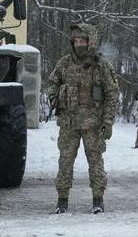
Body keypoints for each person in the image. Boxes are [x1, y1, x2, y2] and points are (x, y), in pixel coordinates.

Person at [48, 22, 119, 214]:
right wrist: (54, 96)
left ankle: (98, 200)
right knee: (65, 162)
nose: (78, 43)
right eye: (76, 40)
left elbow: (112, 94)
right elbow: (52, 83)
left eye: (83, 40)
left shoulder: (101, 65)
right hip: (69, 123)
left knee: (95, 162)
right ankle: (62, 201)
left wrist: (108, 121)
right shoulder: (64, 63)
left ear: (91, 42)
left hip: (94, 125)